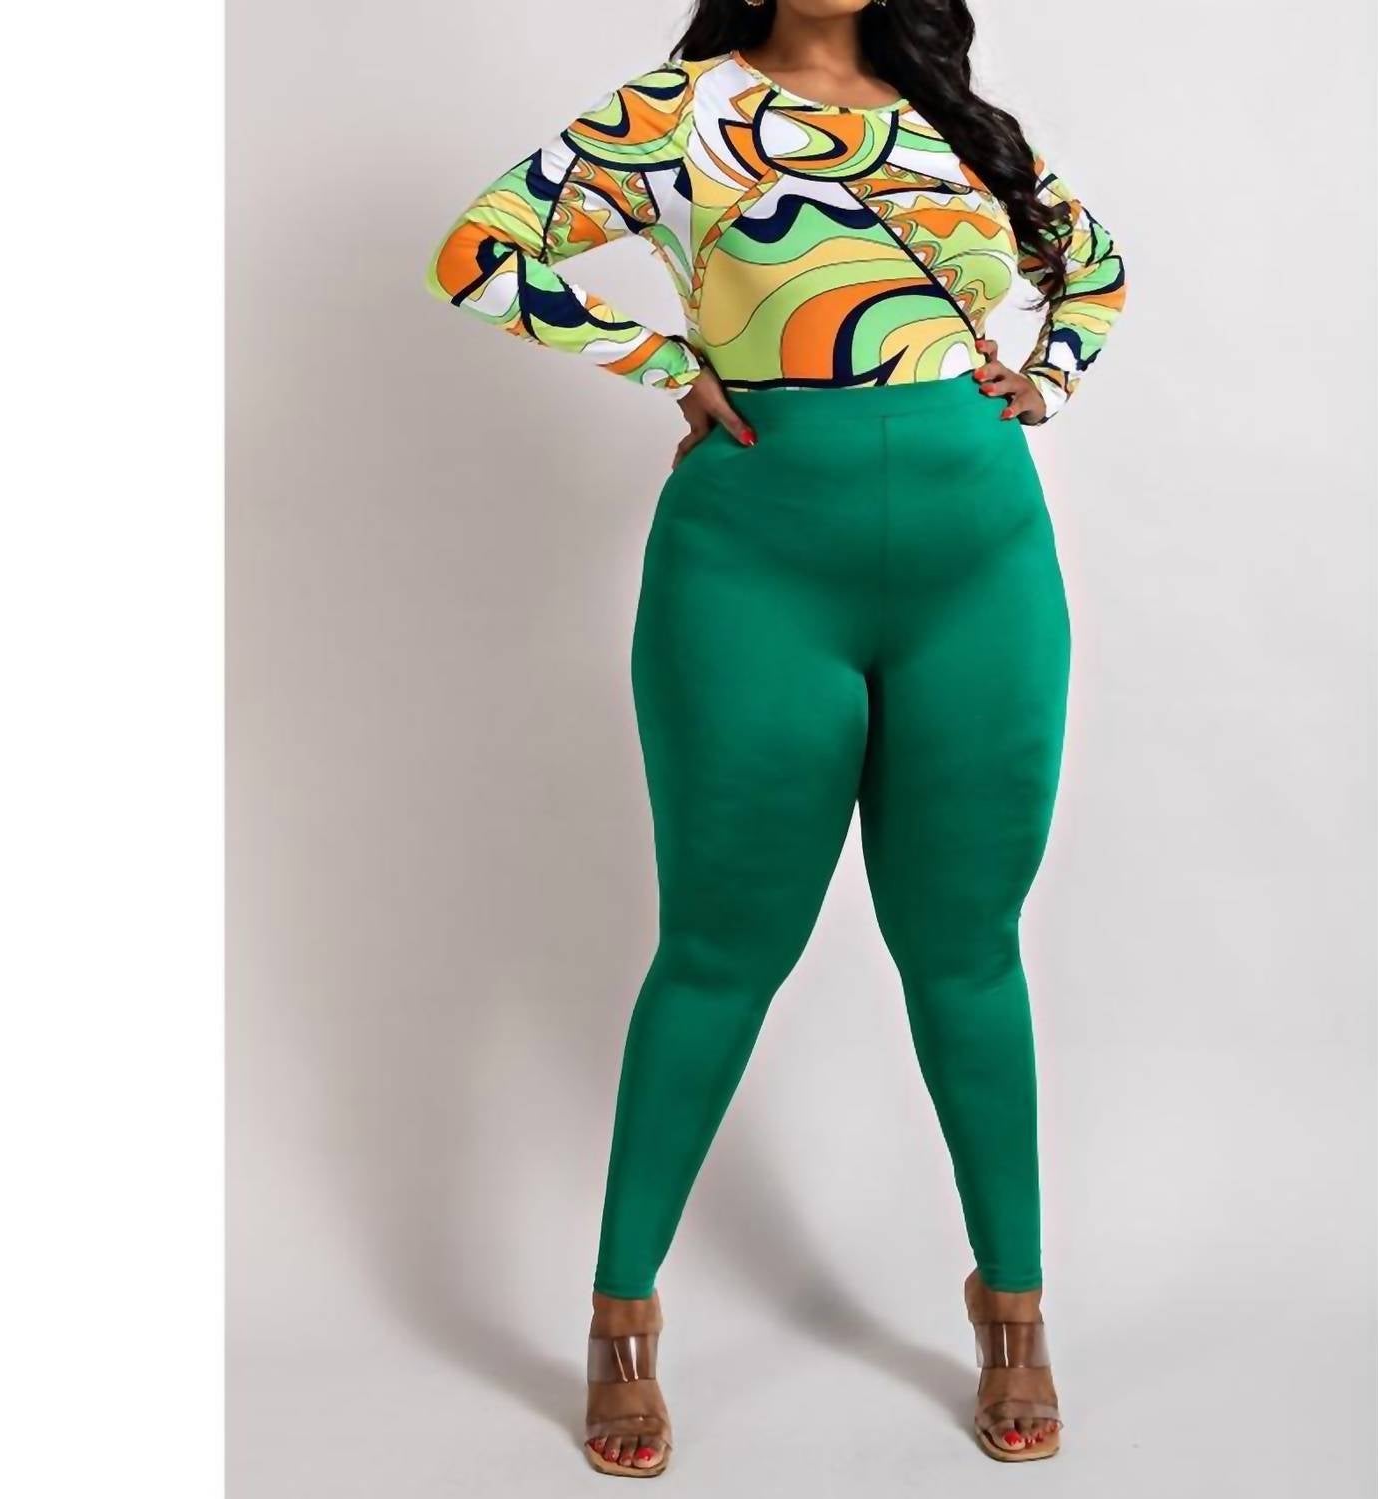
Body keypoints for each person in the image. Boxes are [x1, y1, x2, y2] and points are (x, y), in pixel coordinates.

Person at [426, 0, 1125, 1474]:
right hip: (754, 573)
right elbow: (481, 252)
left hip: (984, 569)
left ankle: (1012, 1307)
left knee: (966, 948)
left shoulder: (955, 119)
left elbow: (1095, 266)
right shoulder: (674, 113)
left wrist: (1048, 372)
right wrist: (660, 360)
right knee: (720, 949)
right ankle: (621, 1317)